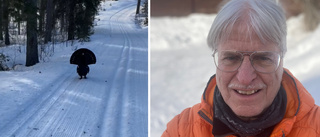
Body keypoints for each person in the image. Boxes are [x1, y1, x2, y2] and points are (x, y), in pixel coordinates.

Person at [162, 0, 320, 136]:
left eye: (262, 58)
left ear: (282, 59)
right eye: (231, 58)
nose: (245, 78)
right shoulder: (181, 131)